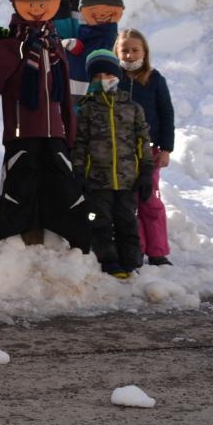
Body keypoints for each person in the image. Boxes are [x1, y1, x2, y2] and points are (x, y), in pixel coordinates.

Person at [0, 0, 88, 251]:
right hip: (21, 131)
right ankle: (16, 233)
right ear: (16, 4)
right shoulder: (9, 46)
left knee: (61, 182)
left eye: (43, 3)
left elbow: (66, 95)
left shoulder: (54, 44)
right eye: (30, 3)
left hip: (54, 130)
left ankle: (66, 233)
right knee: (20, 183)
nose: (36, 10)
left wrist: (70, 132)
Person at [71, 50, 154, 279]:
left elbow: (142, 141)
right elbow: (80, 142)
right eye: (97, 76)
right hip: (97, 179)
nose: (104, 79)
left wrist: (146, 171)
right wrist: (78, 171)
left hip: (127, 178)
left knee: (127, 220)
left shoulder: (132, 107)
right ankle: (108, 260)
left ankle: (131, 261)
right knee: (100, 221)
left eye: (108, 74)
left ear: (118, 76)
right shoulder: (86, 108)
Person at [115, 28, 175, 266]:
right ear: (117, 52)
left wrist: (166, 149)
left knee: (149, 198)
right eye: (124, 50)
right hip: (120, 151)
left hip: (148, 151)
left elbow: (167, 113)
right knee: (128, 201)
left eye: (134, 50)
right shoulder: (113, 79)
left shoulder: (154, 79)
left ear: (144, 52)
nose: (130, 55)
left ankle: (158, 252)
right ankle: (135, 248)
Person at [65, 0, 125, 98]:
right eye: (95, 11)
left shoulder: (119, 44)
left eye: (107, 11)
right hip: (77, 105)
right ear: (82, 12)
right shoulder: (80, 42)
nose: (101, 15)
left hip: (108, 108)